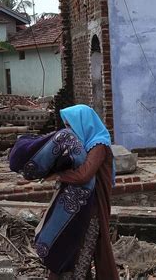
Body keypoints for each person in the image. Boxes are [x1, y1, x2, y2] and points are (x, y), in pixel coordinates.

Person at [47, 104, 119, 280]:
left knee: (82, 255)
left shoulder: (98, 145)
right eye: (66, 126)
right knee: (72, 254)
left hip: (91, 211)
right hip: (79, 209)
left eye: (70, 126)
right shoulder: (84, 146)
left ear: (83, 124)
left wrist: (58, 175)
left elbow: (84, 175)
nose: (68, 130)